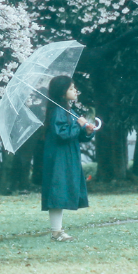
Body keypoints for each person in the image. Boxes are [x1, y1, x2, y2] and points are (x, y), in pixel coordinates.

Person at [41, 74, 96, 241]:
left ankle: (58, 231)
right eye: (71, 88)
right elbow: (62, 134)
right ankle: (56, 232)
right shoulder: (58, 111)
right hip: (59, 157)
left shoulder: (67, 110)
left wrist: (86, 132)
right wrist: (78, 126)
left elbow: (75, 136)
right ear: (62, 92)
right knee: (57, 192)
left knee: (62, 191)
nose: (75, 91)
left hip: (67, 156)